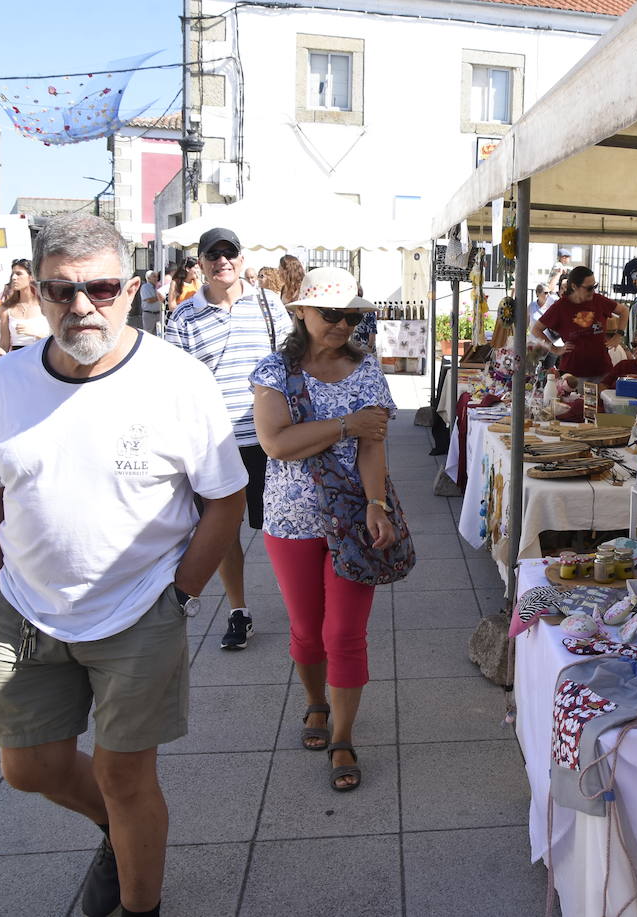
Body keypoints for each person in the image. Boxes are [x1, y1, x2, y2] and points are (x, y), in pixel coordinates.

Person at [0, 212, 248, 917]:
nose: (82, 306)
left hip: (141, 607)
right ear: (36, 291)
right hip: (24, 611)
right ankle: (116, 833)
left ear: (134, 288)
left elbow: (226, 502)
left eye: (102, 287)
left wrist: (178, 596)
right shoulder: (5, 382)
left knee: (123, 771)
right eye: (60, 290)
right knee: (28, 766)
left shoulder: (177, 380)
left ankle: (140, 902)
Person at [250, 266, 397, 792]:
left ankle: (342, 734)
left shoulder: (367, 370)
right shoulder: (273, 371)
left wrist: (377, 503)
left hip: (353, 517)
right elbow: (275, 444)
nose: (342, 324)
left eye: (352, 315)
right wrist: (344, 426)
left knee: (343, 633)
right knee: (307, 630)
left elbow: (373, 443)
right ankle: (315, 701)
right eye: (330, 314)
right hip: (291, 519)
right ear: (301, 313)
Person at [165, 227, 292, 652]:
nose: (222, 260)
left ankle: (300, 607)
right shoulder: (183, 317)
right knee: (222, 533)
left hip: (269, 439)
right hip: (214, 443)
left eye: (229, 253)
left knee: (281, 525)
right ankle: (239, 611)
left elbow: (292, 360)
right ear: (199, 263)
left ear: (241, 259)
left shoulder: (270, 305)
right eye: (212, 254)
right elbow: (176, 387)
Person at [529, 265, 629, 382]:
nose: (593, 290)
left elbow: (624, 311)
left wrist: (619, 335)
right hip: (572, 373)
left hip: (601, 370)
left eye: (594, 286)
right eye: (589, 288)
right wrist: (555, 349)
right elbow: (536, 329)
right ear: (574, 286)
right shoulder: (561, 306)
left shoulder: (599, 300)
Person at [0, 258, 50, 351]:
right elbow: (3, 345)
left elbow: (58, 340)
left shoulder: (47, 304)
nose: (13, 278)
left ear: (31, 277)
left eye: (19, 274)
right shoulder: (6, 308)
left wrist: (37, 333)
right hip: (17, 359)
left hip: (42, 356)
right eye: (12, 274)